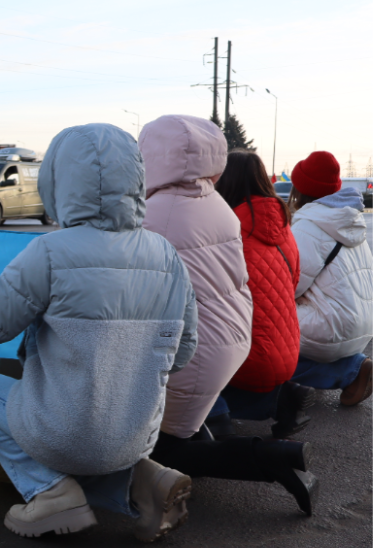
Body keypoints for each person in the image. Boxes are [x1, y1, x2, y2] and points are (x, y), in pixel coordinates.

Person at [0, 123, 198, 542]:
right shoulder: (167, 255)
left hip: (62, 435)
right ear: (136, 178)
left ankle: (50, 491)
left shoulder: (49, 252)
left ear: (56, 181)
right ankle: (140, 478)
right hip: (139, 435)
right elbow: (183, 353)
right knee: (96, 430)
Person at [139, 116, 317, 515]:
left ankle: (270, 458)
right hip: (230, 342)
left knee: (156, 451)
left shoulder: (155, 214)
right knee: (183, 432)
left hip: (191, 353)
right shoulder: (217, 206)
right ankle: (225, 427)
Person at [208, 150, 314, 440]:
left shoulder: (228, 230)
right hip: (290, 348)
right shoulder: (284, 227)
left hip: (251, 354)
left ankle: (214, 420)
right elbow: (293, 282)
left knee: (188, 366)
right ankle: (281, 398)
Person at [287, 151, 373, 405]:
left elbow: (289, 287)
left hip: (332, 329)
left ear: (299, 190)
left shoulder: (307, 226)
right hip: (362, 325)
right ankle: (352, 365)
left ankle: (350, 372)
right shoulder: (351, 221)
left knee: (261, 330)